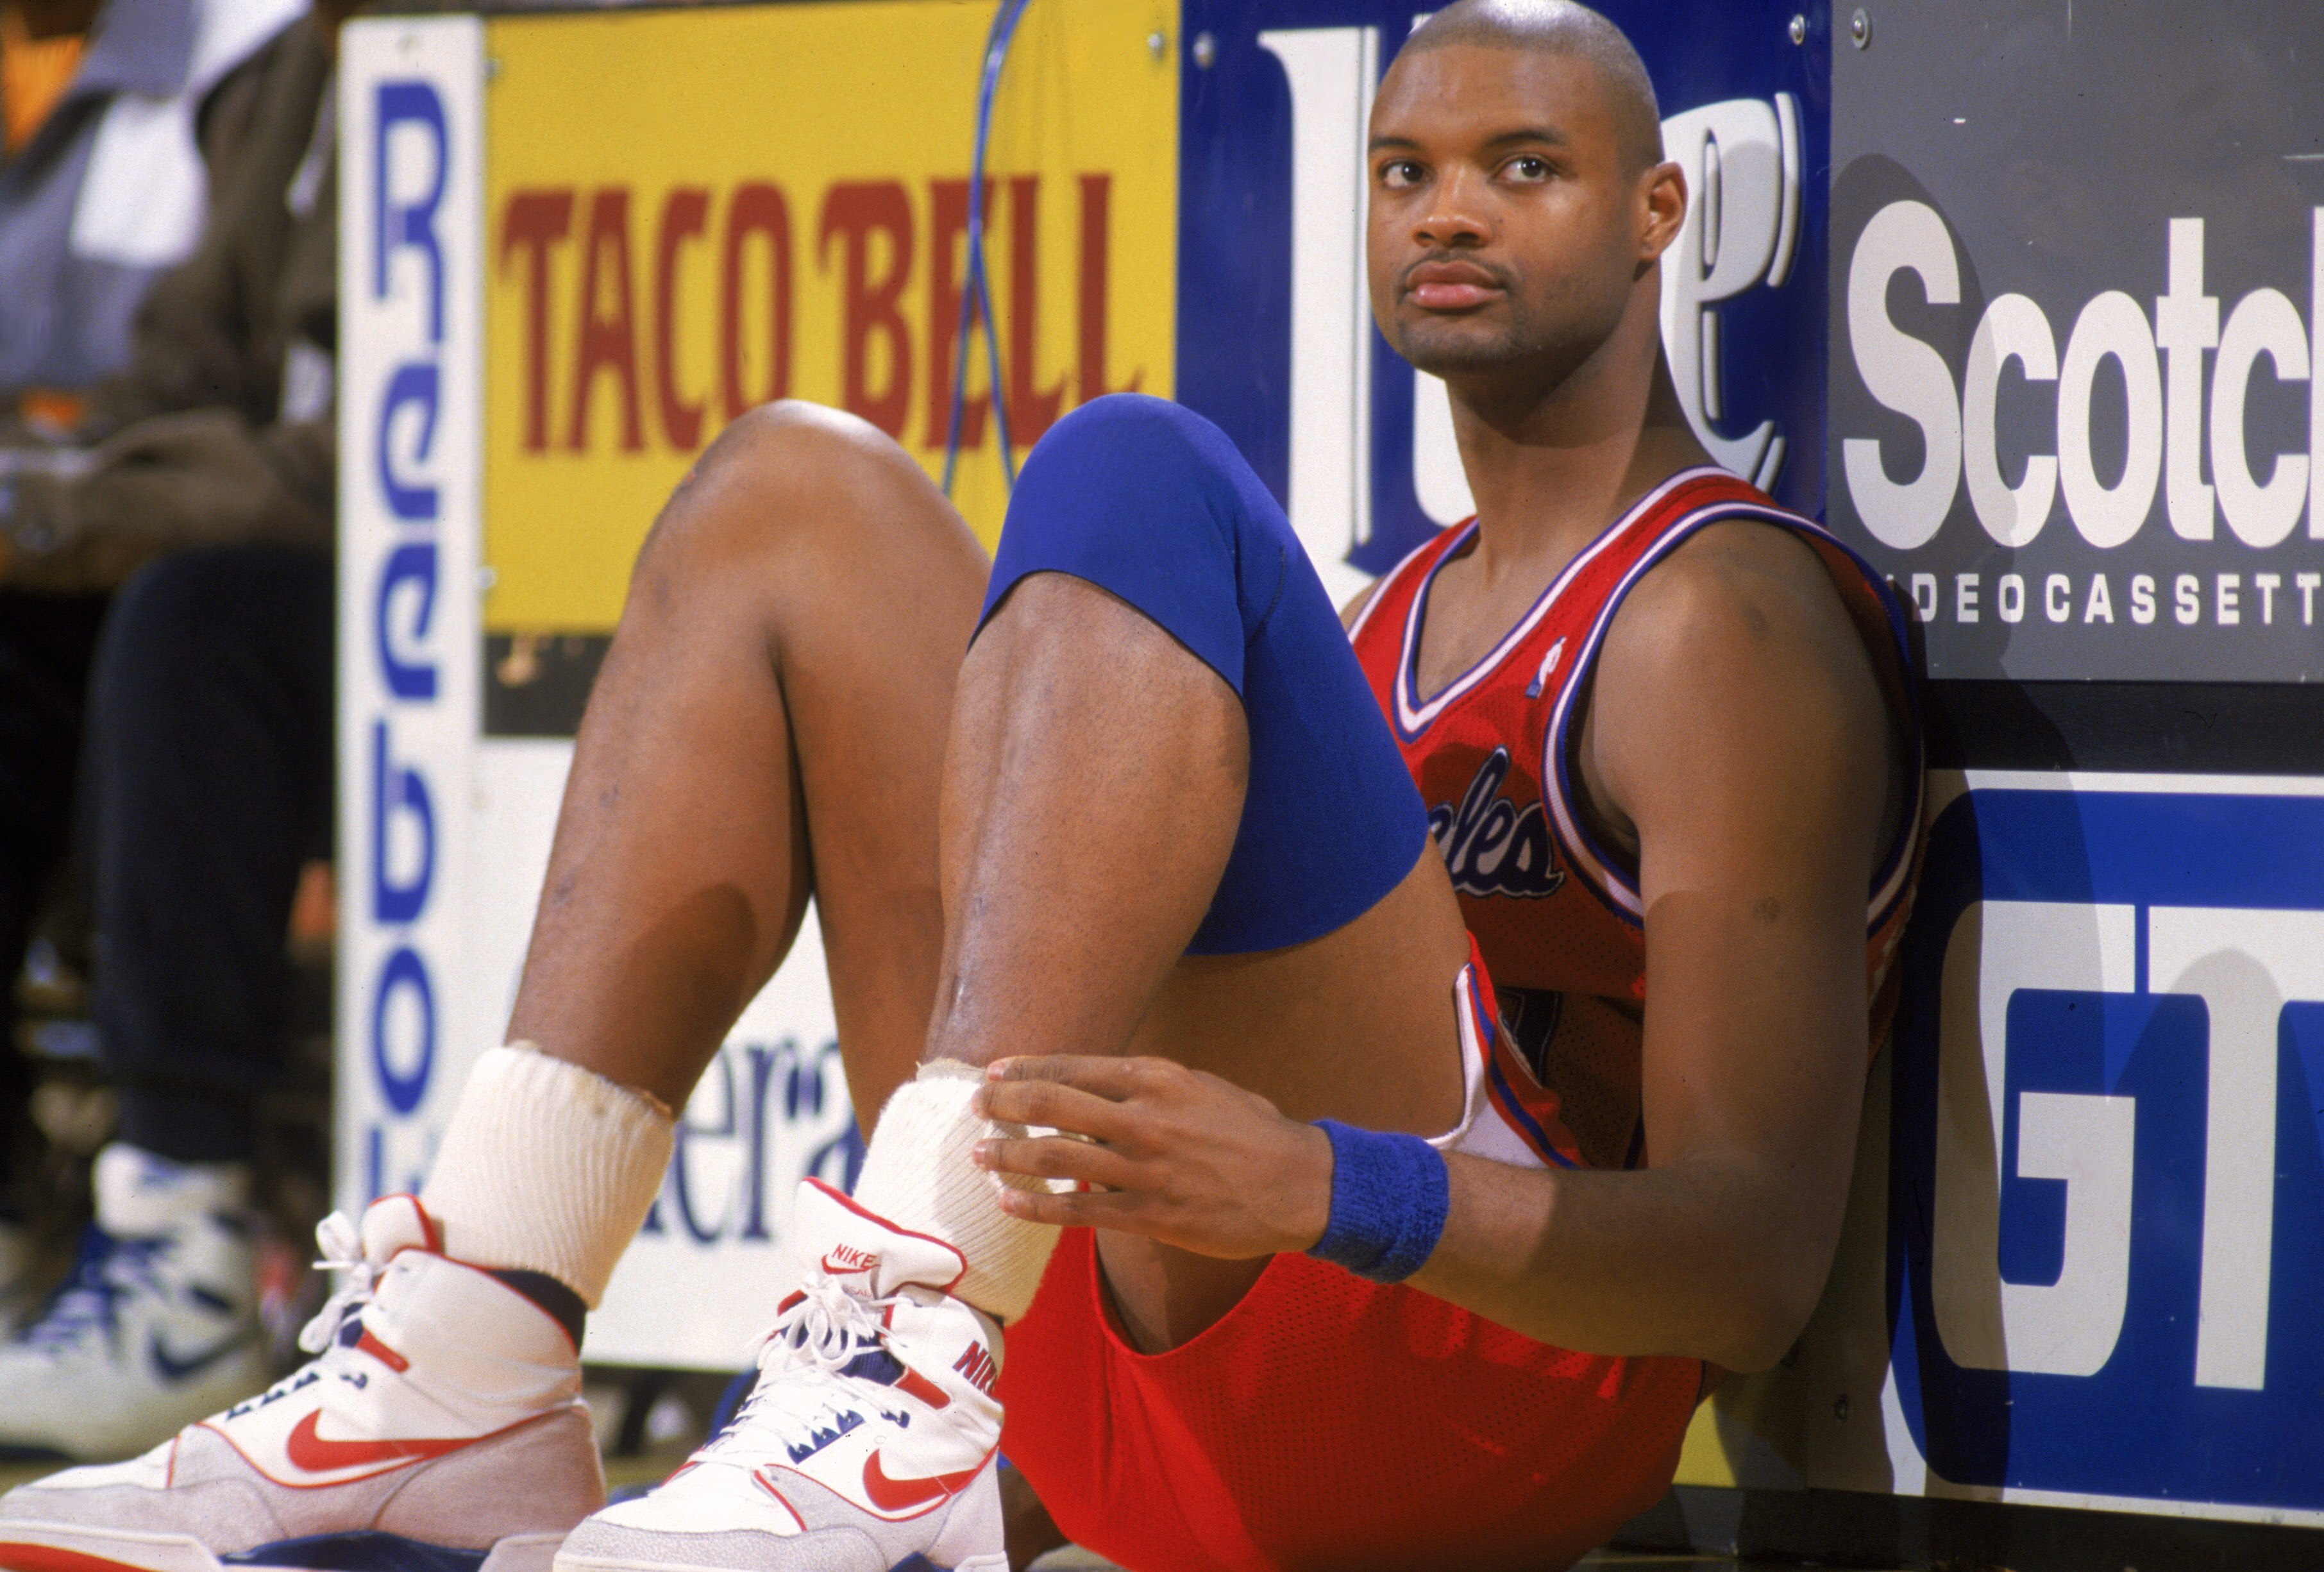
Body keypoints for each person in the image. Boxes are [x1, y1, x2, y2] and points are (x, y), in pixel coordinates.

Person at [0, 3, 1922, 1569]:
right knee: (786, 493)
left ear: (1661, 207)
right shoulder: (1394, 609)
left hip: (1464, 1404)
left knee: (1136, 473)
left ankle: (904, 1346)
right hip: (1149, 1380)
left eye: (1526, 169)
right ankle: (490, 1340)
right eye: (1406, 169)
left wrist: (1334, 1185)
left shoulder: (1715, 620)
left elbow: (1752, 1270)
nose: (1448, 214)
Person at [0, 0, 342, 1460]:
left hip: (460, 590)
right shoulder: (285, 65)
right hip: (270, 546)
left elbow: (376, 455)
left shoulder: (555, 56)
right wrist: (47, 493)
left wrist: (69, 505)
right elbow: (174, 380)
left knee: (194, 623)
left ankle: (183, 1234)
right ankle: (25, 1197)